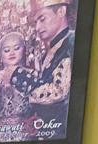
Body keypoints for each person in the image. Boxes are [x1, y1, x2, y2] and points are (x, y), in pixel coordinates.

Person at [28, 0, 75, 133]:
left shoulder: (71, 43)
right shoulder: (52, 49)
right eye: (35, 22)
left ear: (61, 11)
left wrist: (21, 78)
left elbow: (59, 91)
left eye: (42, 19)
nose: (37, 28)